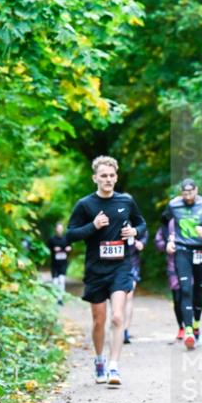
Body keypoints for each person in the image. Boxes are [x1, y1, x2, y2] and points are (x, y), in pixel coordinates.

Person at [65, 155, 146, 386]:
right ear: (95, 178)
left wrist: (135, 232)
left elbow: (141, 223)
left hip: (121, 266)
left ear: (116, 177)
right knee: (99, 320)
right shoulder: (85, 205)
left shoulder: (126, 201)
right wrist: (93, 226)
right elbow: (70, 234)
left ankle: (113, 367)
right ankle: (99, 360)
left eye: (111, 176)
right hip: (95, 269)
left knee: (118, 317)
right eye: (103, 176)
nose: (108, 179)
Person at [161, 179, 202, 350]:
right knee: (185, 288)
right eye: (184, 193)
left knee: (199, 290)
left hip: (201, 250)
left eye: (190, 193)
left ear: (196, 190)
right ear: (181, 193)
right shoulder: (174, 205)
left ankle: (196, 325)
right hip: (182, 249)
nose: (188, 197)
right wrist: (169, 239)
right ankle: (188, 330)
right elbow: (164, 221)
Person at [155, 218, 186, 340]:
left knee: (189, 295)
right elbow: (158, 243)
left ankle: (191, 325)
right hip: (173, 266)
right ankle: (181, 327)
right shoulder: (167, 224)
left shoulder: (188, 220)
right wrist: (166, 244)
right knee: (177, 298)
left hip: (189, 265)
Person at [122, 235, 146, 344]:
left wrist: (138, 242)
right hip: (115, 265)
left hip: (132, 266)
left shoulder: (137, 221)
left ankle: (125, 330)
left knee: (129, 296)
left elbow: (142, 242)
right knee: (117, 298)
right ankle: (117, 325)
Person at [47, 222, 72, 303]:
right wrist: (53, 249)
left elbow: (70, 249)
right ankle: (55, 297)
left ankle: (60, 298)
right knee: (55, 281)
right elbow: (48, 249)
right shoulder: (51, 240)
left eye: (61, 228)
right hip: (54, 264)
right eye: (58, 228)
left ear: (63, 229)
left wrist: (69, 249)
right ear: (56, 229)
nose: (60, 230)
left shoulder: (66, 239)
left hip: (63, 263)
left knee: (62, 280)